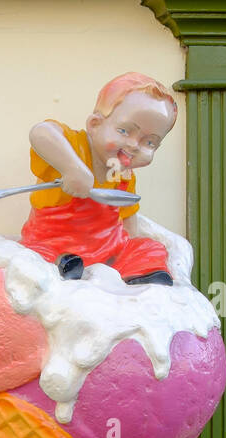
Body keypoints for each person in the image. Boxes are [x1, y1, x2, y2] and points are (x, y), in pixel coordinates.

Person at [22, 72, 179, 285]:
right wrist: (72, 168)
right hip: (54, 243)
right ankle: (64, 266)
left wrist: (133, 247)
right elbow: (40, 132)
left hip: (108, 250)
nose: (134, 145)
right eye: (124, 131)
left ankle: (141, 274)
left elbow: (128, 220)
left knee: (151, 248)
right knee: (40, 256)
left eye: (149, 143)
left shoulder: (124, 175)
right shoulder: (73, 147)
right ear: (95, 124)